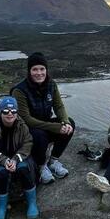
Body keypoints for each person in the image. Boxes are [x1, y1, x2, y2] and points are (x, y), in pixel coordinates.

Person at [11, 52, 75, 184]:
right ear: (29, 71)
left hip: (44, 125)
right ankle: (41, 166)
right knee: (40, 135)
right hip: (26, 130)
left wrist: (65, 121)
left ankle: (53, 161)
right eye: (35, 69)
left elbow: (59, 106)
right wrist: (56, 127)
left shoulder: (51, 84)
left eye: (42, 69)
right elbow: (27, 119)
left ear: (46, 70)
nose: (39, 73)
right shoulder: (19, 91)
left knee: (71, 124)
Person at [0, 96, 39, 219]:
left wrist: (15, 159)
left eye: (13, 111)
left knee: (24, 169)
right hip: (1, 159)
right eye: (6, 111)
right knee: (2, 174)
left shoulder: (22, 126)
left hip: (19, 157)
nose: (10, 114)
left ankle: (32, 203)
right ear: (0, 112)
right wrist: (4, 161)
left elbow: (28, 144)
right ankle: (1, 209)